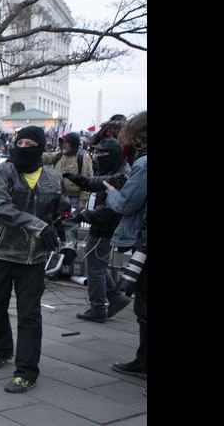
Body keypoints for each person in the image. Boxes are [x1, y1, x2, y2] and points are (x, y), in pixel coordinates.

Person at [0, 125, 68, 394]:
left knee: (29, 315)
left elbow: (61, 217)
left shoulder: (53, 179)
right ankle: (1, 349)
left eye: (31, 144)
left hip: (33, 259)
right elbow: (0, 208)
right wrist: (39, 226)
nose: (24, 148)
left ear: (41, 148)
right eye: (21, 142)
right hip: (0, 253)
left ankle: (27, 372)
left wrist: (67, 244)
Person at [60, 138, 132, 323]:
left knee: (95, 268)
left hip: (106, 227)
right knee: (97, 264)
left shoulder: (122, 175)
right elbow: (97, 182)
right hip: (103, 226)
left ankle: (98, 308)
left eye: (102, 153)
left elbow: (110, 209)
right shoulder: (115, 169)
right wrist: (80, 180)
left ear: (112, 155)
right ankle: (115, 297)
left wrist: (83, 216)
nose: (98, 156)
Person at [104, 111, 147, 382]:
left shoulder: (143, 165)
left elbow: (127, 204)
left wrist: (111, 193)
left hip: (143, 241)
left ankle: (143, 362)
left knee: (143, 306)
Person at [42, 132, 93, 210]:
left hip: (73, 199)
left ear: (73, 144)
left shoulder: (83, 159)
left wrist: (83, 200)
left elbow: (87, 180)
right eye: (63, 142)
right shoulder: (59, 156)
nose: (64, 145)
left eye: (67, 142)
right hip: (57, 196)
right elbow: (44, 157)